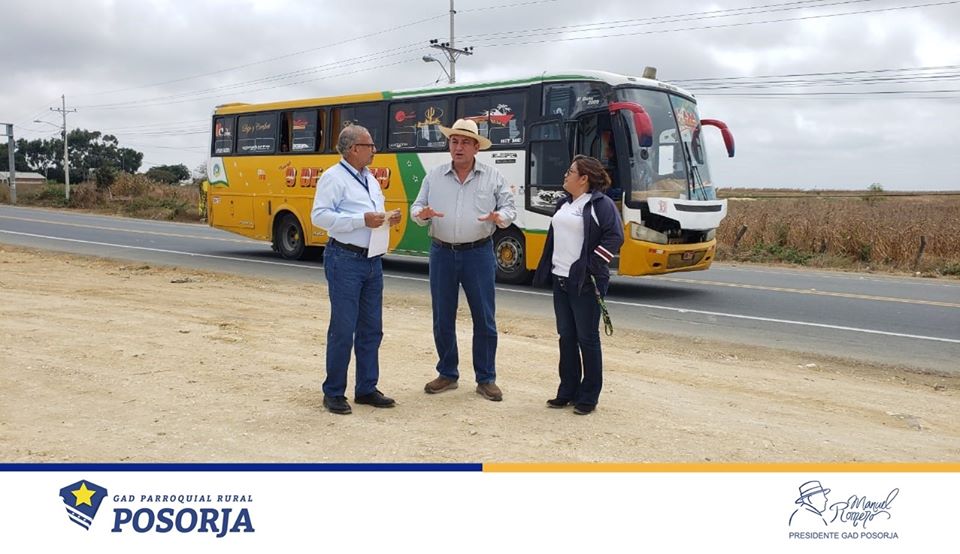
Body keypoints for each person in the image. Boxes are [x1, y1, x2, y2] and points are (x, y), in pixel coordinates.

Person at [411, 119, 516, 402]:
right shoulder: (434, 176)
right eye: (454, 141)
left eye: (465, 142)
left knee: (484, 317)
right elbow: (416, 207)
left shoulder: (493, 176)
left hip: (478, 253)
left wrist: (500, 217)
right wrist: (422, 214)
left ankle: (486, 378)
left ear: (476, 148)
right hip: (442, 252)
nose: (458, 147)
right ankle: (447, 373)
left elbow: (509, 208)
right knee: (442, 316)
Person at [310, 125, 400, 415]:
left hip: (372, 260)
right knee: (343, 328)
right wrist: (362, 220)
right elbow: (319, 216)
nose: (374, 150)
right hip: (345, 259)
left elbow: (370, 215)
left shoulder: (370, 178)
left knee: (372, 329)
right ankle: (334, 392)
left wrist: (386, 219)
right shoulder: (333, 177)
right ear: (352, 149)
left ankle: (366, 388)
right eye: (369, 145)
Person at [533, 155, 624, 415]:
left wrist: (590, 266)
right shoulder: (564, 203)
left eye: (570, 171)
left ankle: (589, 396)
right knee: (567, 337)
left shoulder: (601, 204)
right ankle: (567, 391)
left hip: (585, 282)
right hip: (560, 279)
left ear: (583, 178)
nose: (565, 174)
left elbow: (615, 237)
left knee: (587, 338)